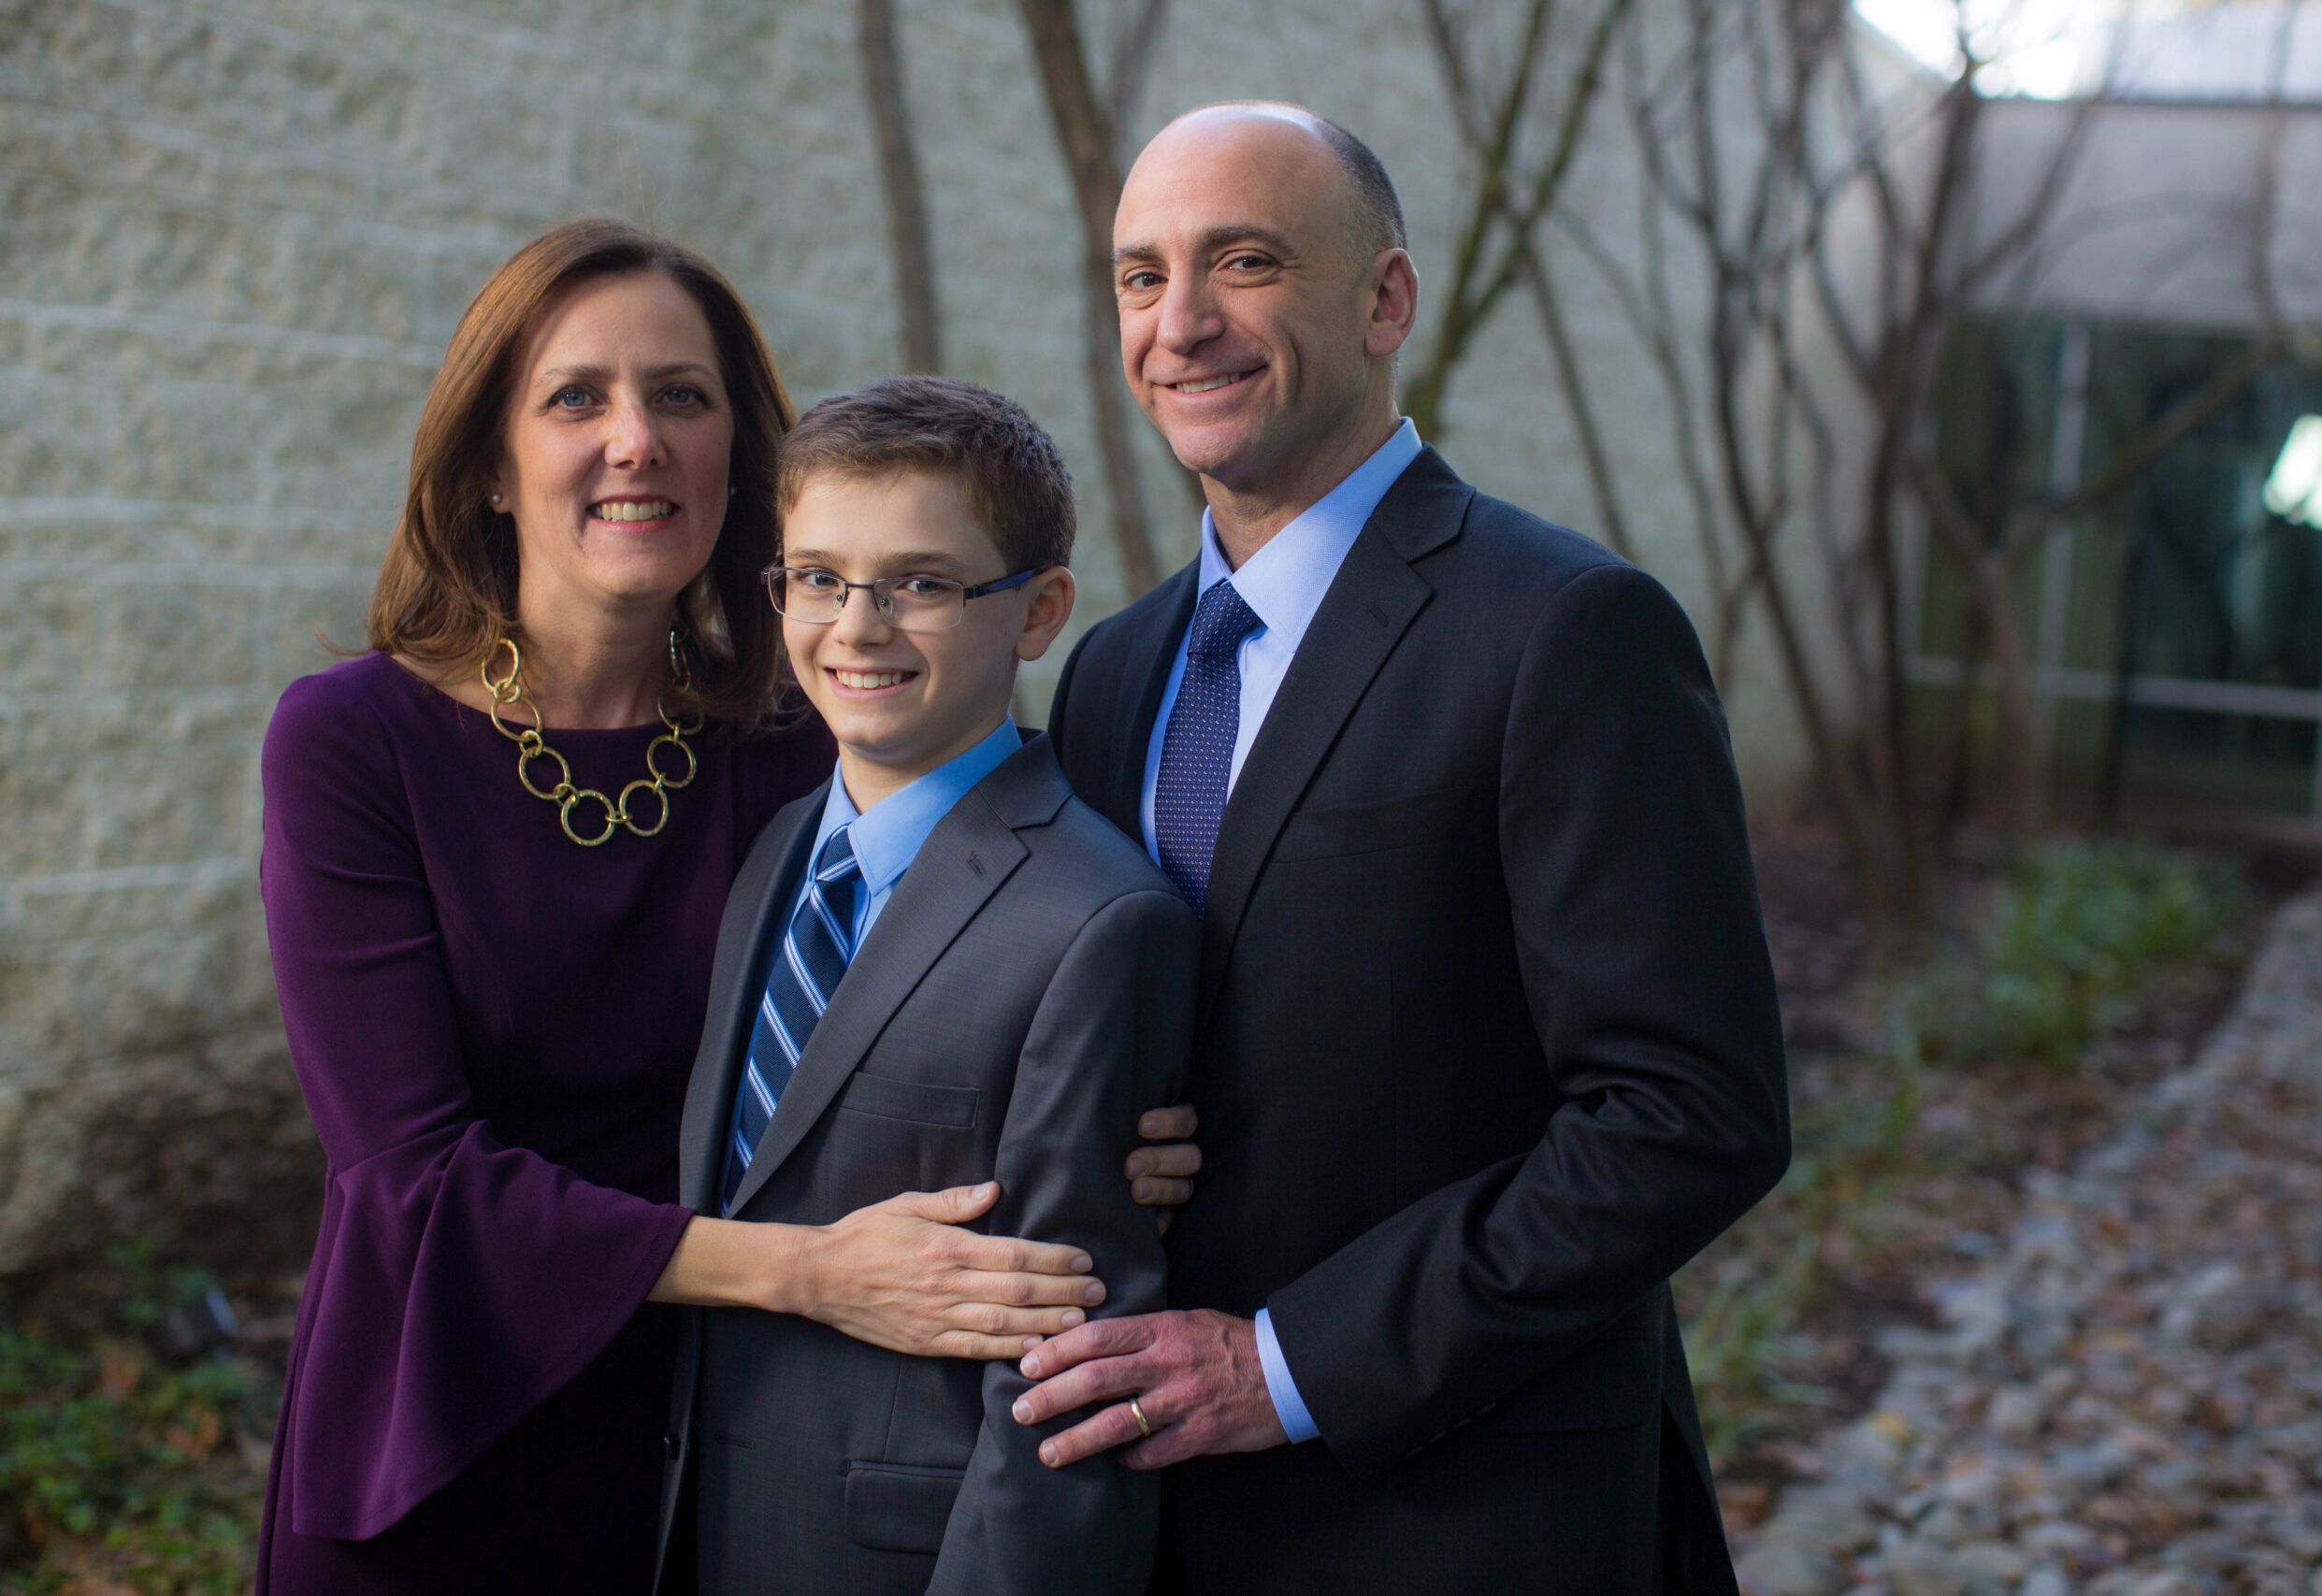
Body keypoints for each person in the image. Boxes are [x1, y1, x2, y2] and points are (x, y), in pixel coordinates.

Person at [254, 220, 1187, 1594]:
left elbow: (923, 1057)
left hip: (711, 1462)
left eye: (680, 396)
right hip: (444, 1443)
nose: (637, 440)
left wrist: (1095, 1135)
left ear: (740, 458)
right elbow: (413, 1182)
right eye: (577, 397)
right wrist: (806, 1271)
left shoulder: (798, 753)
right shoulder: (353, 744)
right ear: (492, 469)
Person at [1012, 104, 1793, 1594]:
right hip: (1143, 1527)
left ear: (1386, 300)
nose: (1180, 324)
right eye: (1138, 275)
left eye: (1242, 262)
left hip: (1457, 1516)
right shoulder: (1114, 670)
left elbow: (1687, 1112)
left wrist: (1289, 1365)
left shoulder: (1566, 631)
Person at [656, 376, 1192, 1596]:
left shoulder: (1099, 921)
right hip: (707, 1527)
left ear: (1040, 610)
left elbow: (1070, 1383)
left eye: (923, 583)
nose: (858, 625)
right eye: (817, 577)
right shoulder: (772, 852)